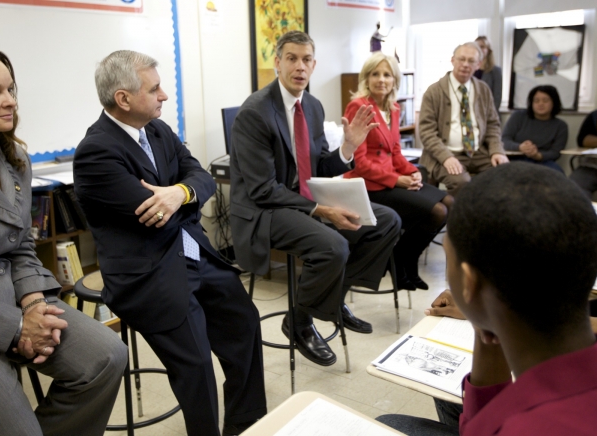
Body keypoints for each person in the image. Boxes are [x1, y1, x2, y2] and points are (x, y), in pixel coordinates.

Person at [73, 50, 266, 436]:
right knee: (196, 365)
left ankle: (245, 426)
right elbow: (154, 219)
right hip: (148, 273)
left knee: (245, 323)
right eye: (155, 88)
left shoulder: (156, 129)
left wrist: (179, 193)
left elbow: (201, 175)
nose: (164, 96)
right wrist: (185, 201)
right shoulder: (96, 152)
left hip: (191, 253)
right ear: (123, 98)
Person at [377, 162, 597, 435]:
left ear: (469, 286)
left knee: (386, 425)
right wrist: (486, 316)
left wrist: (482, 309)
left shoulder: (521, 427)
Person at [0, 43, 126, 436]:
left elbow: (22, 245)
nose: (9, 101)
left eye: (11, 89)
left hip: (16, 298)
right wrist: (16, 327)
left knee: (108, 356)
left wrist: (34, 303)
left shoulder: (14, 161)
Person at [230, 31, 401, 366]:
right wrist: (322, 209)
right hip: (264, 210)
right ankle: (299, 320)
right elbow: (263, 189)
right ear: (277, 63)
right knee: (333, 246)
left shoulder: (312, 105)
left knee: (386, 222)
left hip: (302, 197)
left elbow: (321, 164)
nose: (300, 66)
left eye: (306, 59)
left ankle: (332, 297)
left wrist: (347, 148)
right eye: (291, 58)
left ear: (314, 64)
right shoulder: (255, 112)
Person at [343, 53, 453, 291]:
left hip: (392, 181)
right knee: (436, 211)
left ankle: (403, 260)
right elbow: (359, 163)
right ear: (366, 78)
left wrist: (413, 172)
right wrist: (397, 180)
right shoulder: (358, 107)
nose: (381, 80)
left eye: (387, 75)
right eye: (375, 74)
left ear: (394, 80)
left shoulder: (392, 108)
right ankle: (403, 259)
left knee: (450, 203)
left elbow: (395, 152)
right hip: (370, 186)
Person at [419, 42, 508, 196]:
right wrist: (446, 157)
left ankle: (487, 218)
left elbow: (493, 125)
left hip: (478, 152)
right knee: (461, 183)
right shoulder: (434, 91)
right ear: (452, 60)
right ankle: (459, 220)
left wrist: (497, 151)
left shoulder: (483, 89)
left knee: (505, 175)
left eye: (471, 61)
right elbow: (426, 132)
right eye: (461, 59)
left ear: (478, 64)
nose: (465, 64)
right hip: (446, 152)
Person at [502, 85, 568, 172]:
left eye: (545, 100)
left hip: (543, 161)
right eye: (536, 101)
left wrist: (537, 155)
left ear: (554, 102)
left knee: (558, 174)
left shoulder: (561, 126)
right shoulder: (518, 116)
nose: (540, 104)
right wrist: (520, 147)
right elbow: (504, 140)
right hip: (515, 159)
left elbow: (555, 152)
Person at [474, 36, 502, 112]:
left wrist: (489, 116)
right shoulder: (470, 69)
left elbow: (497, 97)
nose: (479, 49)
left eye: (482, 47)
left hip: (488, 114)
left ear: (488, 50)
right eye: (477, 46)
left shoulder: (495, 71)